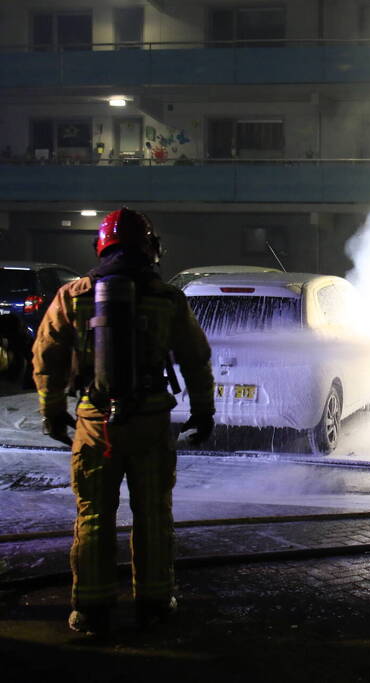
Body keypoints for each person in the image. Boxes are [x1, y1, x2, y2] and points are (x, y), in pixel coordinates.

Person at [32, 207, 215, 637]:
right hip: (151, 422)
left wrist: (52, 411)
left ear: (102, 246)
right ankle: (154, 603)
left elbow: (46, 355)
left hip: (95, 423)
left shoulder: (73, 294)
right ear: (148, 248)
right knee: (152, 513)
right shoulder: (167, 298)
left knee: (94, 513)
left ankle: (91, 610)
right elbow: (195, 358)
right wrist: (203, 411)